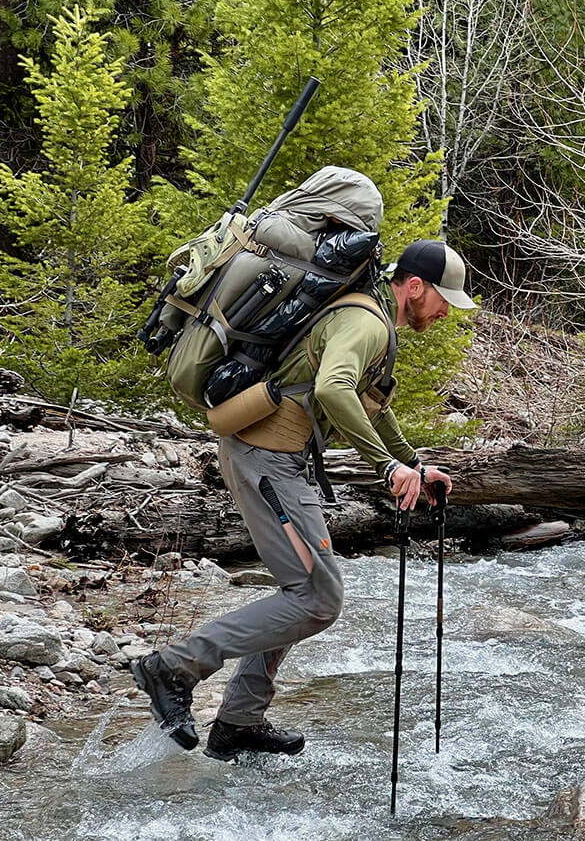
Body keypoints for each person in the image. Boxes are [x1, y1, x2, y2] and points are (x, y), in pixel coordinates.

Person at [130, 205, 478, 761]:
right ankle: (173, 667)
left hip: (277, 460)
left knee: (306, 591)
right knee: (317, 599)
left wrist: (413, 461)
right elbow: (335, 390)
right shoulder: (366, 320)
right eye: (444, 302)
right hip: (264, 458)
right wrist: (390, 470)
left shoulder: (368, 317)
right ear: (416, 286)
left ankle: (239, 722)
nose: (444, 314)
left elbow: (370, 403)